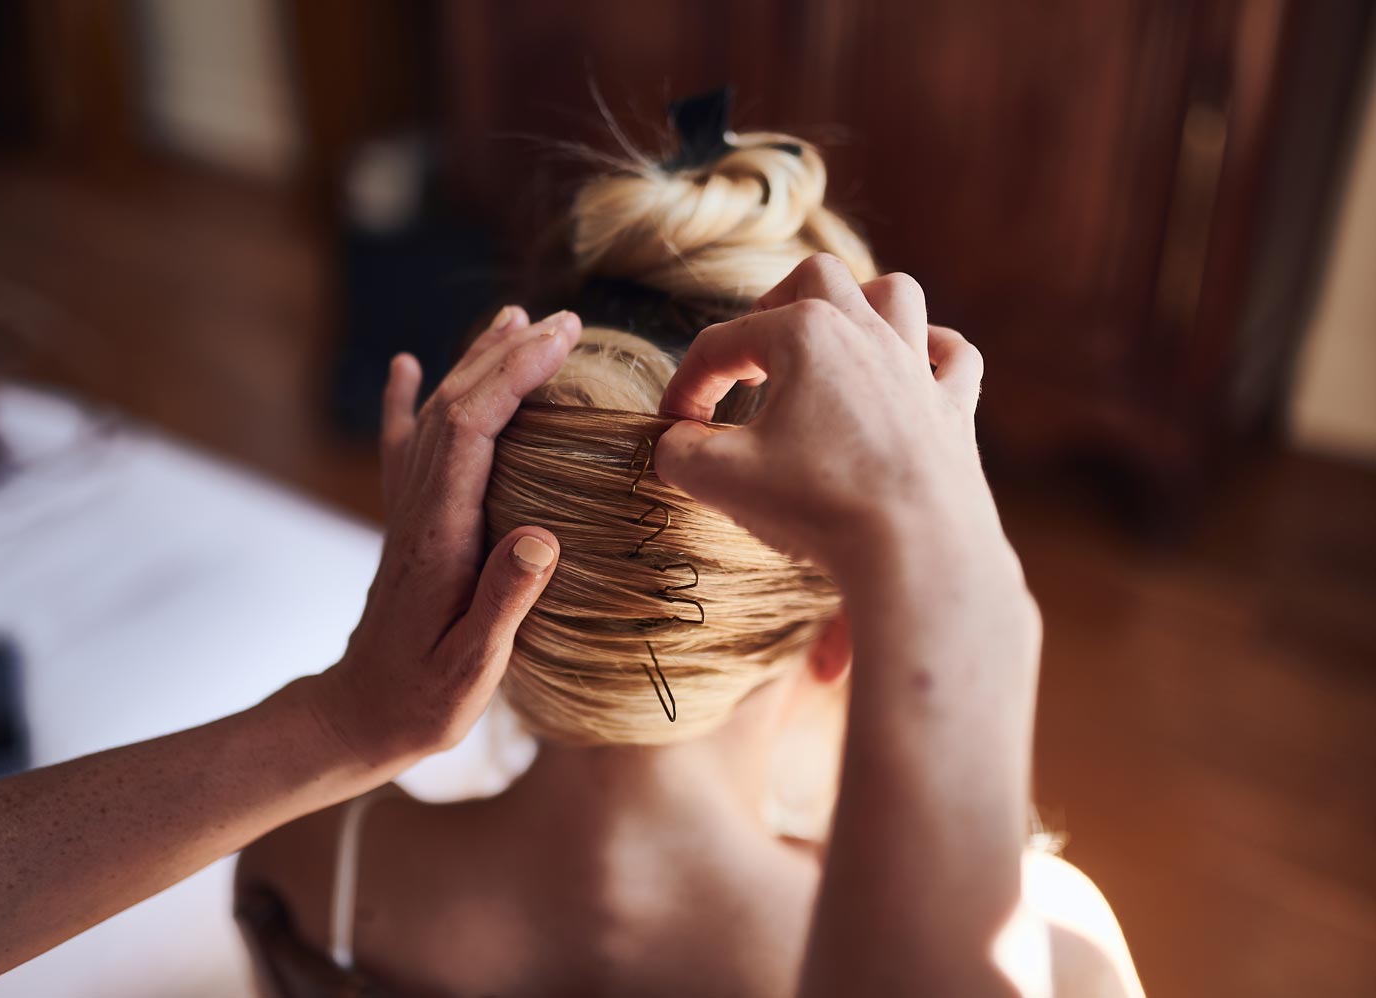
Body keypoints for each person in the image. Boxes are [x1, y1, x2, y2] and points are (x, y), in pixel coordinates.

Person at [235, 132, 1145, 996]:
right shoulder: (1050, 953)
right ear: (842, 637)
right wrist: (940, 563)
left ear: (449, 575)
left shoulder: (311, 865)